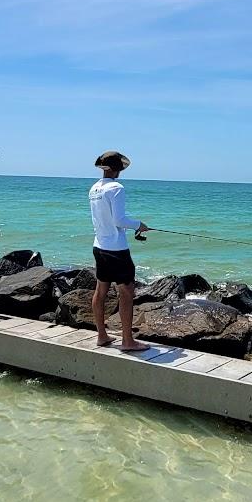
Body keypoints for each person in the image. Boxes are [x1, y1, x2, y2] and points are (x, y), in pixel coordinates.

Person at [89, 150, 149, 351]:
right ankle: (127, 341)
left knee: (101, 290)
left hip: (100, 246)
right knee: (126, 292)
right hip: (117, 249)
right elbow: (119, 220)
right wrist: (139, 224)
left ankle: (102, 336)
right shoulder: (116, 188)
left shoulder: (94, 189)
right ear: (117, 169)